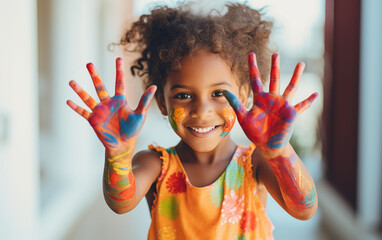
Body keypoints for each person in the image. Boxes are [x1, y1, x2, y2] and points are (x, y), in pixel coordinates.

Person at [67, 2, 318, 239]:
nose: (201, 110)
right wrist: (118, 155)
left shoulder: (256, 163)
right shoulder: (155, 165)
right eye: (183, 95)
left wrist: (280, 152)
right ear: (162, 102)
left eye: (218, 93)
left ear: (243, 96)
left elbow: (303, 209)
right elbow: (120, 203)